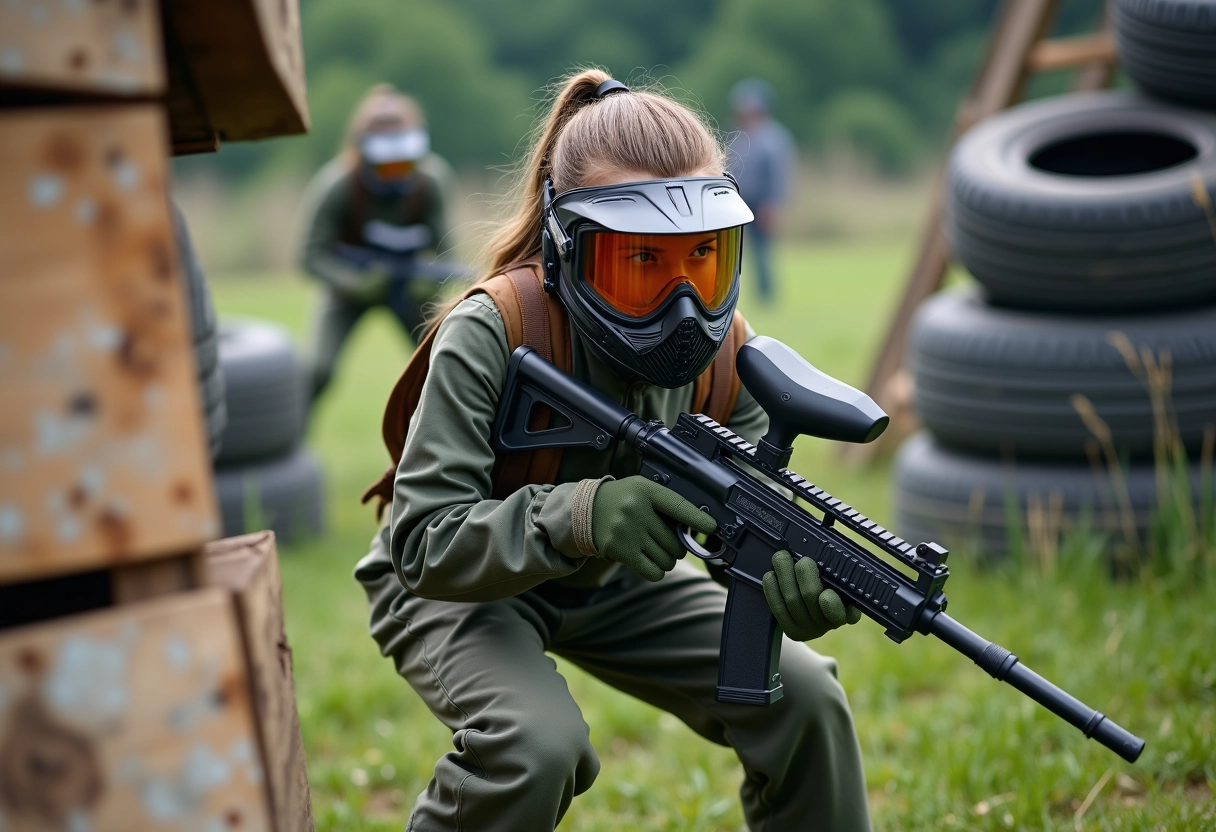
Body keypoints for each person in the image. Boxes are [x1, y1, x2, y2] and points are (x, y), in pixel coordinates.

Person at [354, 70, 870, 832]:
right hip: (457, 582)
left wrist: (789, 585)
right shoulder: (496, 328)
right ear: (569, 244)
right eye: (640, 262)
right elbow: (423, 544)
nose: (682, 302)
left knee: (807, 698)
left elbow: (741, 529)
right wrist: (582, 514)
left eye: (703, 258)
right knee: (535, 746)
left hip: (612, 585)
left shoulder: (729, 354)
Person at [297, 84, 453, 402]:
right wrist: (354, 283)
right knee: (317, 369)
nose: (396, 172)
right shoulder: (338, 185)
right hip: (348, 289)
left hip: (407, 287)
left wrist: (430, 285)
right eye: (386, 164)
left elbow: (447, 250)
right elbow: (309, 254)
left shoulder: (432, 182)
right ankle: (287, 441)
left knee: (444, 364)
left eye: (404, 162)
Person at [727, 78, 796, 305]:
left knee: (762, 251)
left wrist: (773, 205)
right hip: (739, 200)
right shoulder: (740, 135)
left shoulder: (773, 137)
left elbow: (778, 175)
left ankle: (766, 296)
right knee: (733, 251)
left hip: (762, 203)